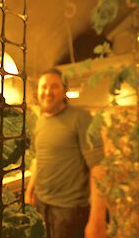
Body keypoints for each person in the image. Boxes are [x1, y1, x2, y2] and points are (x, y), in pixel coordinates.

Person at [25, 68, 107, 238]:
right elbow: (39, 159)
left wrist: (97, 219)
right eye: (44, 87)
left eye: (54, 86)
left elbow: (99, 168)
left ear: (64, 91)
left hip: (69, 211)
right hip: (42, 205)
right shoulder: (40, 121)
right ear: (37, 91)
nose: (48, 92)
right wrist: (30, 189)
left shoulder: (81, 118)